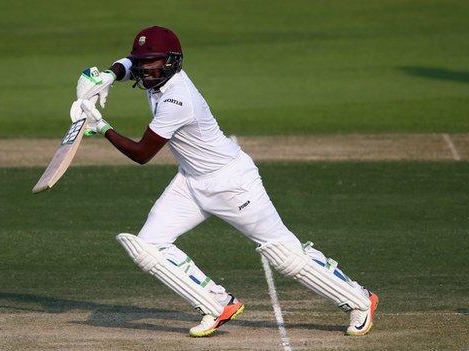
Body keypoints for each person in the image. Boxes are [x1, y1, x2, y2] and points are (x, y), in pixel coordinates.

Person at [71, 25, 378, 337]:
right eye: (142, 65)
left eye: (152, 65)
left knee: (284, 254)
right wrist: (108, 76)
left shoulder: (178, 99)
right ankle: (217, 304)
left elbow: (142, 154)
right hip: (191, 182)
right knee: (148, 247)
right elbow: (130, 62)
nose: (145, 72)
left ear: (171, 62)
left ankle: (359, 299)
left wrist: (101, 126)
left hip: (232, 184)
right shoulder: (154, 74)